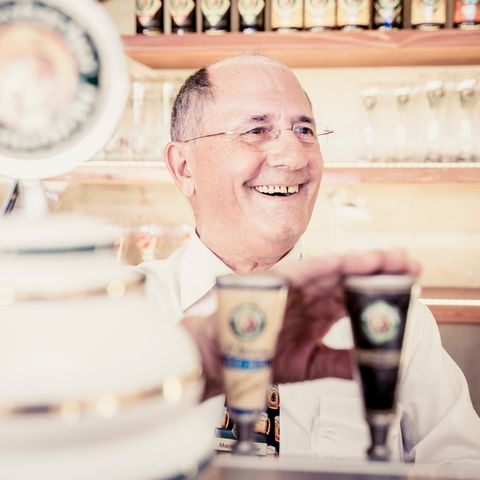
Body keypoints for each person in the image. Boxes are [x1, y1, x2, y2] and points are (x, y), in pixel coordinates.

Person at [140, 54, 480, 465]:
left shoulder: (389, 319)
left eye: (305, 130)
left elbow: (462, 462)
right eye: (256, 130)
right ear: (183, 167)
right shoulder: (121, 312)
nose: (294, 157)